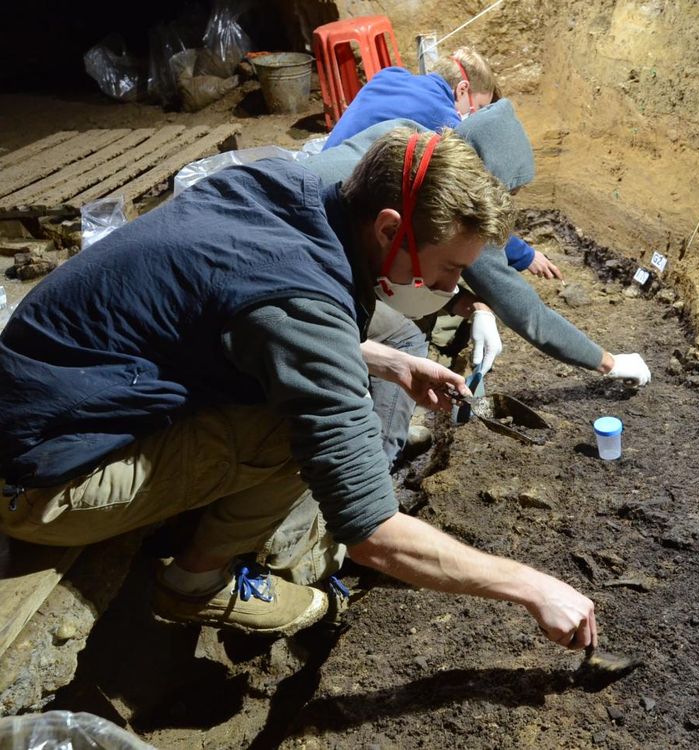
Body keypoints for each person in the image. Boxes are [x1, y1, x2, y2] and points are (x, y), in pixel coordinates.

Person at [0, 128, 598, 650]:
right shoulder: (303, 304)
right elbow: (372, 533)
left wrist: (390, 361)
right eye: (447, 269)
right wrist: (533, 586)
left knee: (312, 398)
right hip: (40, 474)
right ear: (390, 227)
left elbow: (253, 315)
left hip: (51, 390)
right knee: (299, 432)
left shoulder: (289, 190)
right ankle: (196, 583)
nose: (449, 288)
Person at [302, 101, 652, 466]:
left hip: (311, 243)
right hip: (312, 273)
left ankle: (387, 428)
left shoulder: (412, 147)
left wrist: (476, 305)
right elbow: (528, 313)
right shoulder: (451, 211)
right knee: (402, 337)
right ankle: (380, 457)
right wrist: (609, 362)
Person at [324, 48, 563, 282]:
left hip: (328, 175)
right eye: (477, 108)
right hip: (348, 223)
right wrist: (525, 256)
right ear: (462, 90)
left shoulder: (390, 75)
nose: (473, 117)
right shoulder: (444, 127)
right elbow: (474, 209)